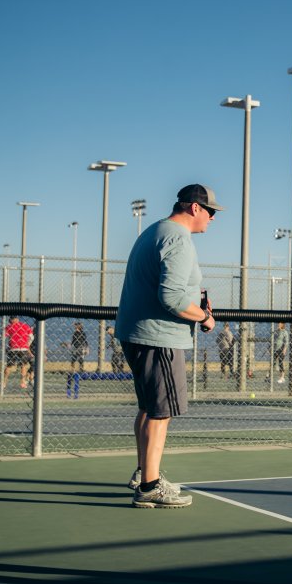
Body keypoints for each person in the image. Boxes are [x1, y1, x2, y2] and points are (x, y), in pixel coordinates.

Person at [115, 183, 220, 508]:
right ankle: (149, 486)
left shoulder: (156, 230)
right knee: (161, 412)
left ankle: (147, 472)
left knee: (149, 408)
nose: (213, 219)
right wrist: (203, 316)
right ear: (194, 208)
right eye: (211, 212)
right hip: (158, 338)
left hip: (139, 334)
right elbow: (171, 297)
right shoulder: (178, 239)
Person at [2, 316, 34, 389]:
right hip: (23, 348)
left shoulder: (9, 327)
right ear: (17, 319)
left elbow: (3, 337)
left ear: (12, 320)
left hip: (13, 348)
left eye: (10, 319)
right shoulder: (25, 326)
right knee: (24, 365)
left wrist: (6, 347)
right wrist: (27, 345)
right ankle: (22, 382)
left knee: (9, 366)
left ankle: (4, 382)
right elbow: (31, 337)